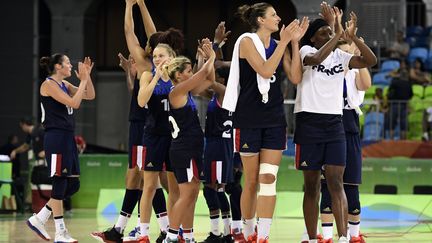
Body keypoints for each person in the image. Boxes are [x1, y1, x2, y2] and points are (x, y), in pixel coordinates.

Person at [221, 2, 307, 242]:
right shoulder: (247, 41)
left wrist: (293, 42)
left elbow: (296, 77)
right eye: (273, 15)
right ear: (260, 20)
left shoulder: (281, 45)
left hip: (274, 119)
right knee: (250, 182)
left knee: (268, 178)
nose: (278, 18)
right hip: (248, 119)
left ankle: (263, 236)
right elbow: (266, 70)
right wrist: (283, 42)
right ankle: (248, 232)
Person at [294, 6, 376, 243]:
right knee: (311, 187)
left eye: (330, 33)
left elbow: (371, 60)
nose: (329, 36)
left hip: (334, 124)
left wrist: (354, 40)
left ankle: (343, 238)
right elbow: (318, 58)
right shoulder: (306, 50)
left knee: (336, 182)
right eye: (324, 33)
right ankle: (311, 238)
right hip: (308, 121)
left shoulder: (341, 57)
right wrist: (338, 36)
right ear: (312, 37)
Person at [27, 54, 95, 243]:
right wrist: (82, 81)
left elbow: (89, 95)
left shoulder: (66, 85)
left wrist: (87, 76)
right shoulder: (48, 85)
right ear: (58, 66)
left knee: (72, 184)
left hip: (68, 137)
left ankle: (39, 218)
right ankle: (60, 232)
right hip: (55, 137)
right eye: (67, 63)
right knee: (59, 182)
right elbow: (75, 103)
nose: (71, 66)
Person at [319, 39, 371, 243]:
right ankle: (326, 236)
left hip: (349, 126)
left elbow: (366, 84)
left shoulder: (357, 71)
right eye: (344, 46)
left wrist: (360, 57)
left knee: (351, 184)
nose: (348, 48)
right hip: (328, 123)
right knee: (327, 184)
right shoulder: (327, 69)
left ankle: (354, 236)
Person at [164, 40, 216, 243]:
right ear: (178, 75)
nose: (191, 73)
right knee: (186, 194)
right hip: (183, 150)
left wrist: (204, 57)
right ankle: (171, 236)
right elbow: (202, 74)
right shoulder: (175, 92)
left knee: (193, 193)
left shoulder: (187, 93)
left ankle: (188, 236)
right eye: (187, 71)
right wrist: (211, 56)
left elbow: (209, 79)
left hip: (192, 148)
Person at [136, 43, 176, 243]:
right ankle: (143, 233)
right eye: (155, 56)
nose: (157, 59)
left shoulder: (178, 76)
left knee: (174, 188)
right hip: (153, 136)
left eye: (161, 56)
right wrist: (157, 77)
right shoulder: (147, 75)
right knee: (149, 186)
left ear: (171, 56)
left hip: (174, 137)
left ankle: (173, 231)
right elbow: (141, 101)